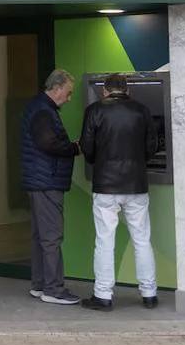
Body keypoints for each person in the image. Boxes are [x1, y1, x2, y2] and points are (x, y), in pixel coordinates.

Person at [79, 72, 159, 311]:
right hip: (136, 185)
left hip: (106, 185)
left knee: (105, 241)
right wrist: (137, 163)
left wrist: (100, 162)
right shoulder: (142, 110)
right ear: (127, 90)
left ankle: (103, 295)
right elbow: (152, 146)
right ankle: (149, 293)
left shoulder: (94, 110)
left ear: (104, 90)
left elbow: (87, 147)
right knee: (142, 239)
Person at [20, 68, 82, 305]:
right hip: (47, 181)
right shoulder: (43, 111)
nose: (69, 98)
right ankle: (54, 289)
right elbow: (48, 143)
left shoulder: (38, 107)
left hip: (39, 180)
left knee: (40, 236)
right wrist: (75, 148)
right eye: (68, 92)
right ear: (56, 88)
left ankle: (40, 285)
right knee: (51, 237)